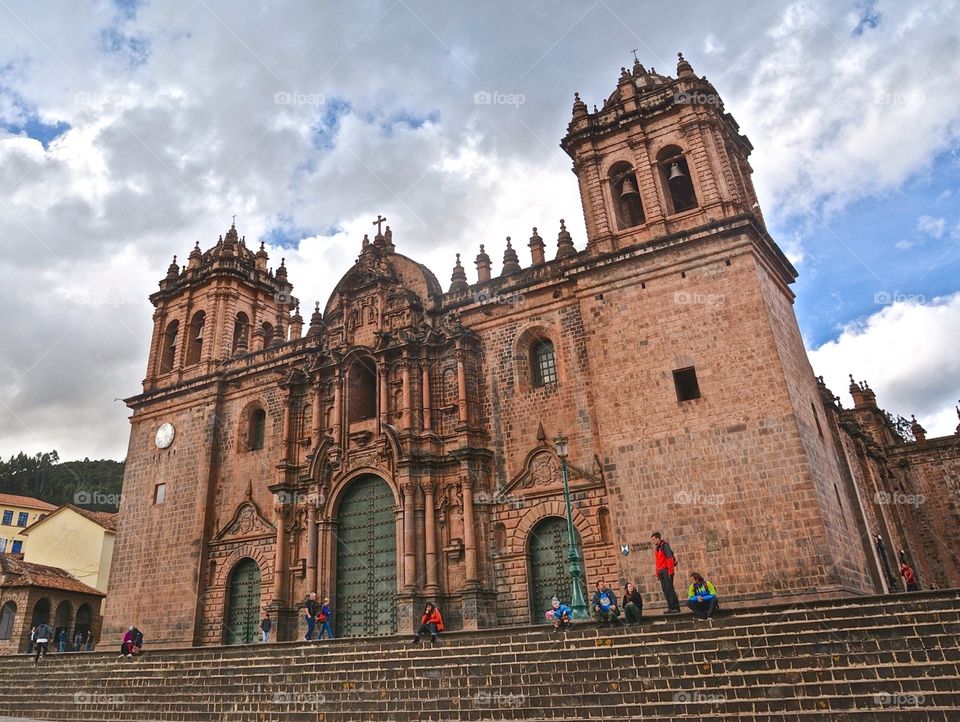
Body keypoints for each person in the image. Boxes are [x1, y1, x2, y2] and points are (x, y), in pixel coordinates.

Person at [651, 531, 681, 614]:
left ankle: (675, 607)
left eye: (653, 539)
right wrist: (657, 573)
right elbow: (657, 562)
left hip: (666, 571)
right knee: (665, 590)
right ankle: (670, 607)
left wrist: (670, 571)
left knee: (670, 589)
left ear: (658, 538)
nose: (652, 541)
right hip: (661, 572)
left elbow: (670, 558)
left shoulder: (665, 546)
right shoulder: (657, 548)